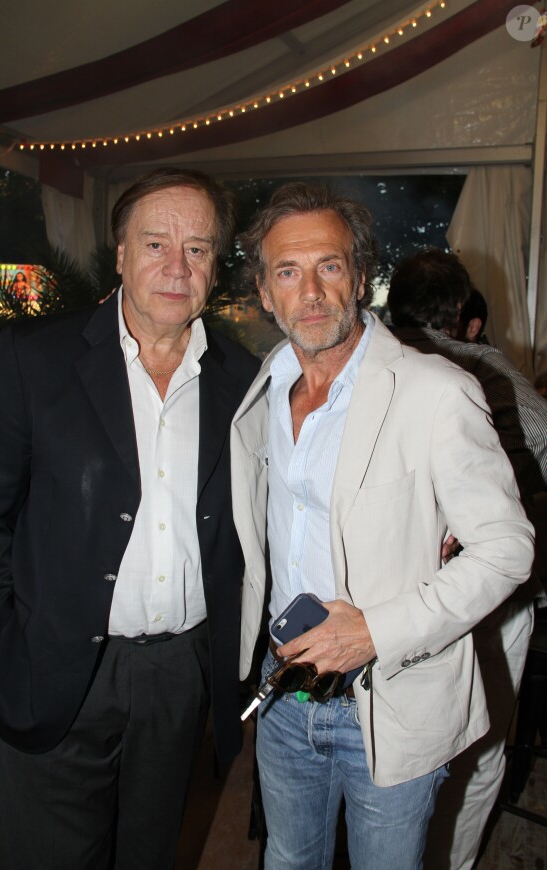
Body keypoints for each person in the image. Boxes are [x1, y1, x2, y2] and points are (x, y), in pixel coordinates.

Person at [230, 183, 534, 870]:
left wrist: (375, 630)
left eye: (329, 266)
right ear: (264, 291)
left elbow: (508, 549)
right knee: (286, 860)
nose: (310, 290)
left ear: (362, 278)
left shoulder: (436, 392)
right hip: (284, 693)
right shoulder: (263, 386)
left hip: (394, 699)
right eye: (287, 271)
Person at [0, 167, 260, 870]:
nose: (175, 266)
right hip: (52, 666)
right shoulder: (38, 361)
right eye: (155, 243)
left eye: (196, 249)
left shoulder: (241, 380)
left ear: (214, 268)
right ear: (120, 253)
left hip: (178, 676)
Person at [388, 247, 547, 870]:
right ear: (459, 311)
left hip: (393, 593)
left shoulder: (367, 369)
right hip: (490, 594)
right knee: (478, 753)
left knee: (393, 747)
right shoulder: (489, 371)